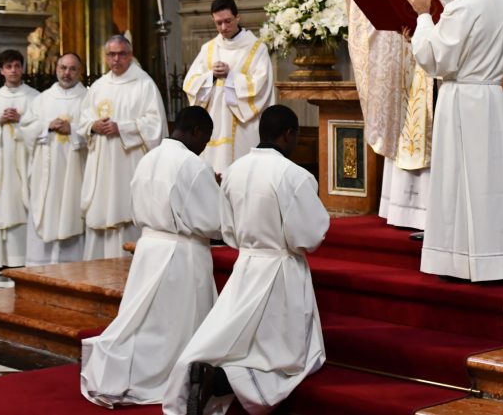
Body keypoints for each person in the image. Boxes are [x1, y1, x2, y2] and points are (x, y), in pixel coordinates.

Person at [162, 105, 329, 415]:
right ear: (288, 134)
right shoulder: (295, 176)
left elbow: (226, 228)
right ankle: (227, 379)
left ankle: (213, 371)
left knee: (244, 336)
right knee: (286, 357)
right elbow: (308, 235)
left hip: (246, 265)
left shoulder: (235, 170)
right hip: (282, 268)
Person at [403, 0, 503, 283]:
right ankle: (501, 260)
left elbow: (438, 59)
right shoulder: (499, 4)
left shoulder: (464, 7)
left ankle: (458, 261)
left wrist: (422, 17)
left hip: (463, 101)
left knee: (459, 181)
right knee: (492, 182)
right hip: (491, 100)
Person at [81, 106, 225, 407]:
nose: (205, 146)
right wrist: (218, 191)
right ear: (197, 132)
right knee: (174, 326)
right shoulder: (192, 164)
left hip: (149, 248)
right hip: (181, 253)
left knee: (145, 322)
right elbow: (212, 222)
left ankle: (128, 373)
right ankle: (168, 377)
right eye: (206, 139)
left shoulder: (149, 159)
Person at [335, 0, 457, 233]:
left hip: (436, 66)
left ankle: (433, 213)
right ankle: (402, 210)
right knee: (403, 127)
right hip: (404, 58)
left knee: (429, 131)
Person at [79, 35, 167, 260]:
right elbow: (83, 121)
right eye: (111, 54)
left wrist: (123, 128)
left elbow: (155, 124)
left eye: (122, 54)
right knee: (102, 207)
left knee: (127, 209)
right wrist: (94, 125)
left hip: (129, 161)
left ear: (130, 55)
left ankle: (129, 262)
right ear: (106, 57)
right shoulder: (98, 86)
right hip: (102, 162)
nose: (116, 59)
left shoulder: (144, 84)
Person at [183, 0, 275, 177]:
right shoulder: (208, 48)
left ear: (238, 18)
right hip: (213, 122)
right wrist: (211, 76)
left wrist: (231, 76)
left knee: (241, 176)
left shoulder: (256, 48)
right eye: (218, 23)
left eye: (228, 21)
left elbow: (261, 85)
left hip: (243, 125)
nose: (223, 27)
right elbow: (190, 83)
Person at [21, 53, 88, 266]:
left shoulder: (88, 98)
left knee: (73, 208)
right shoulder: (42, 99)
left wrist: (73, 130)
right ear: (56, 68)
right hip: (46, 170)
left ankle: (73, 262)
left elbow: (94, 131)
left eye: (72, 69)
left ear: (80, 71)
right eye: (62, 68)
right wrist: (46, 126)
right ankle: (42, 263)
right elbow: (26, 129)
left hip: (75, 168)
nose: (66, 73)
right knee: (46, 207)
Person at [0, 50, 40, 269]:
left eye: (17, 66)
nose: (13, 70)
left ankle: (23, 257)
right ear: (1, 70)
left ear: (23, 68)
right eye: (8, 66)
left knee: (24, 202)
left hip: (24, 161)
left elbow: (42, 128)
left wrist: (21, 120)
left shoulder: (35, 98)